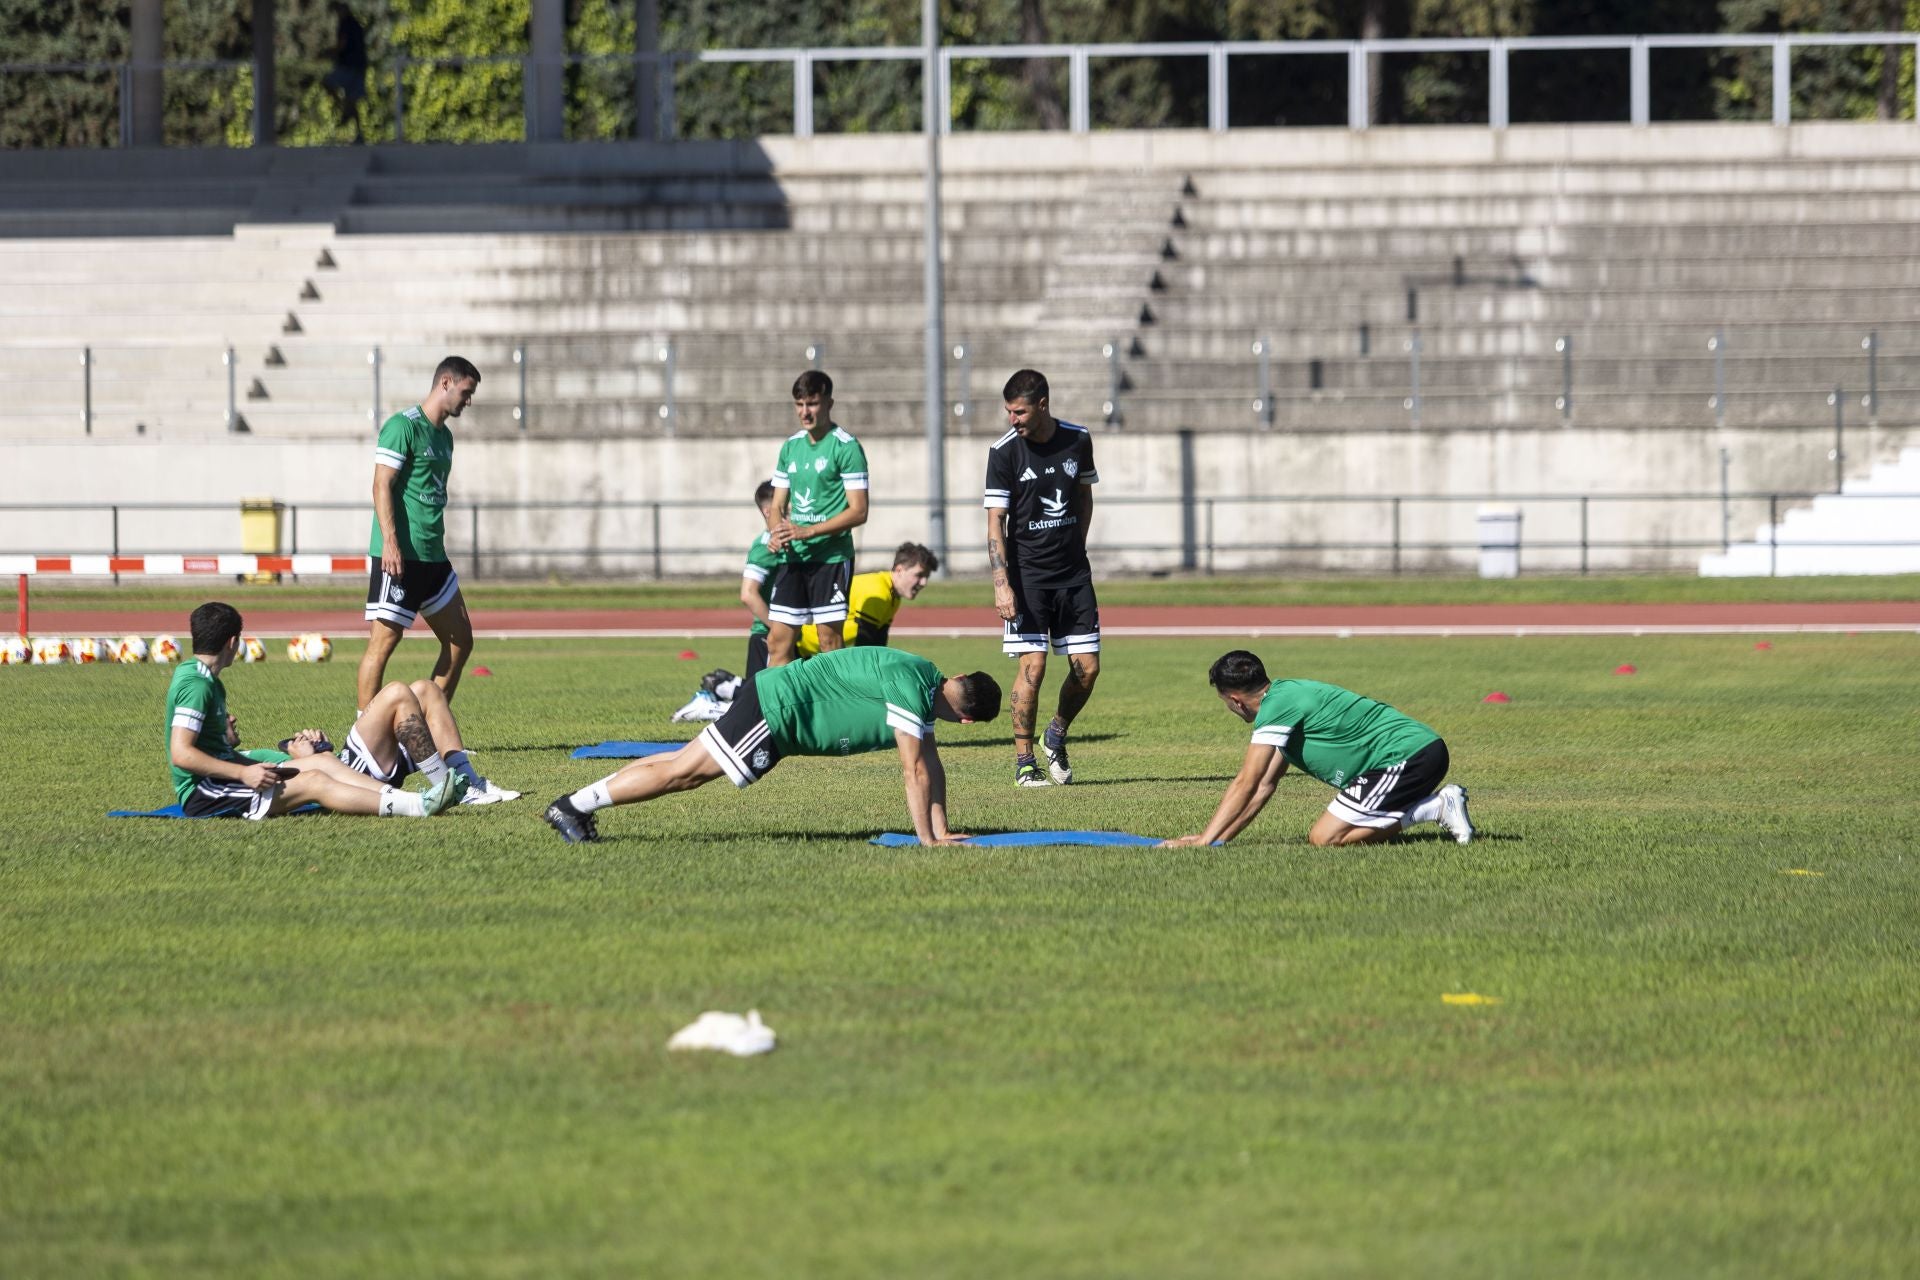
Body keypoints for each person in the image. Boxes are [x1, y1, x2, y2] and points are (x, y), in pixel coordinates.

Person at [546, 647, 1001, 847]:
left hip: (778, 704)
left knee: (681, 764)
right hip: (778, 709)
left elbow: (931, 764)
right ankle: (572, 807)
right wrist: (927, 839)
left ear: (959, 678)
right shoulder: (911, 690)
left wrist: (941, 832)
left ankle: (576, 805)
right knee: (684, 774)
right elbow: (914, 770)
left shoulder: (923, 677)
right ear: (966, 719)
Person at [166, 601, 462, 820]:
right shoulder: (198, 685)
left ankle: (419, 796)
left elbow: (211, 749)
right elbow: (181, 754)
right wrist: (243, 773)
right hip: (206, 791)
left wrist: (255, 765)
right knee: (315, 781)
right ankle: (418, 805)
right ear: (233, 642)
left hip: (224, 776)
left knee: (322, 764)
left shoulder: (205, 680)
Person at [1160, 650, 1474, 848]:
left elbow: (1247, 781)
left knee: (1326, 838)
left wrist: (1203, 840)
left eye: (1225, 703)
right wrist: (1219, 839)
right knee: (1324, 837)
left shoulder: (1277, 708)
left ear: (1236, 701)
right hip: (1414, 753)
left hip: (1406, 756)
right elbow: (1264, 786)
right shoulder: (1284, 697)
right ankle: (1434, 806)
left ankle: (1436, 807)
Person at [672, 539, 940, 723]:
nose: (924, 582)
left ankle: (727, 685)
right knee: (772, 710)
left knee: (785, 706)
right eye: (919, 574)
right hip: (797, 646)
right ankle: (710, 704)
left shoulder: (890, 595)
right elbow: (868, 650)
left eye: (926, 577)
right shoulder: (877, 592)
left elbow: (873, 649)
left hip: (810, 651)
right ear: (899, 569)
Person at [984, 368, 1101, 788]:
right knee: (1033, 668)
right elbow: (995, 521)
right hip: (1027, 579)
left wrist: (1077, 548)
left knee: (1087, 668)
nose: (1012, 419)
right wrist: (1002, 583)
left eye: (1019, 411)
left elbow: (1084, 497)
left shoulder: (1078, 439)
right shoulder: (1003, 453)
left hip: (1073, 575)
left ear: (1043, 405)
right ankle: (1024, 763)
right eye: (1008, 411)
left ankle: (1056, 733)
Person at [358, 355, 480, 712]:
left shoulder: (445, 438)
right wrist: (391, 543)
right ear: (445, 383)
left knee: (460, 641)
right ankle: (363, 739)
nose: (468, 401)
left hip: (433, 558)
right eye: (466, 391)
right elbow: (381, 485)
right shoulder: (403, 426)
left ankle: (429, 727)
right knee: (383, 644)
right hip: (400, 557)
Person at [764, 370, 869, 667]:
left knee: (829, 641)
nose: (804, 412)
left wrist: (809, 532)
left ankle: (840, 709)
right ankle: (774, 712)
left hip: (831, 559)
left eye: (812, 403)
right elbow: (777, 507)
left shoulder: (846, 447)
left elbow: (859, 511)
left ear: (829, 403)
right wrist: (776, 533)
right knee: (778, 639)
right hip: (793, 557)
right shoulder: (791, 447)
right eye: (799, 404)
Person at [284, 676, 521, 805]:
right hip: (353, 772)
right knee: (397, 691)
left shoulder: (251, 763)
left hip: (351, 761)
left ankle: (469, 782)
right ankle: (448, 789)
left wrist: (320, 747)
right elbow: (304, 778)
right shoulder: (251, 768)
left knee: (427, 689)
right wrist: (311, 757)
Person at [322, 2, 369, 144]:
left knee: (327, 82)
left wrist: (327, 53)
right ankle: (359, 132)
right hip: (359, 67)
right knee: (353, 101)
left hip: (350, 67)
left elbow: (342, 45)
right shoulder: (355, 24)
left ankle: (342, 107)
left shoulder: (346, 24)